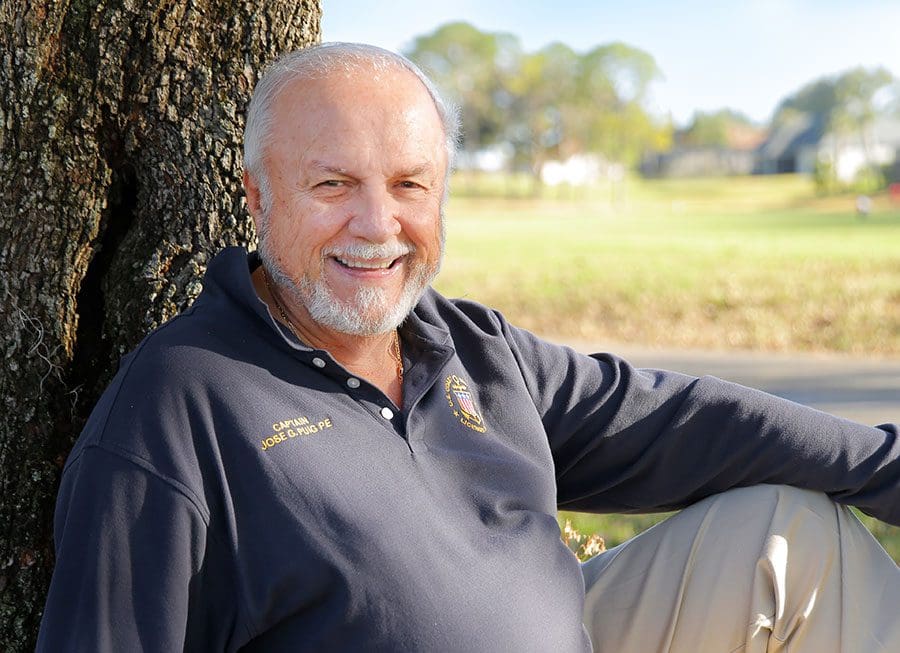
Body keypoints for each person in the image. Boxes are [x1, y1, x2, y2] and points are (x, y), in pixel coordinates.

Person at [38, 43, 899, 653]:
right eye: (333, 184)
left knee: (788, 539)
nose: (377, 226)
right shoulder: (180, 404)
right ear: (258, 197)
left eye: (409, 184)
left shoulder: (469, 347)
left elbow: (687, 422)